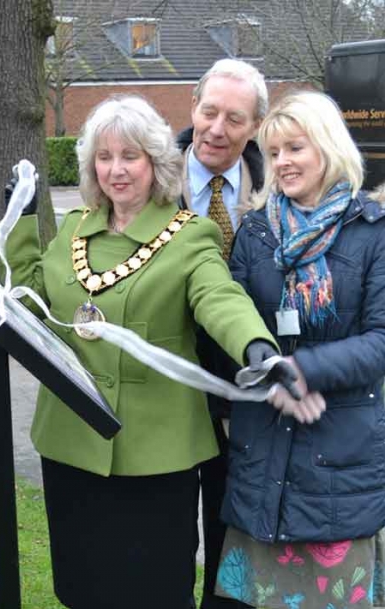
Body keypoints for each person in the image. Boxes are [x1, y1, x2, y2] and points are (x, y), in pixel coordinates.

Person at [3, 94, 298, 609]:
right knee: (81, 587)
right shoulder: (74, 229)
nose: (116, 170)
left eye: (131, 156)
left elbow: (218, 297)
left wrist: (255, 347)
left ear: (156, 163)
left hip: (156, 455)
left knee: (155, 591)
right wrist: (22, 224)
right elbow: (31, 300)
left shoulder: (188, 235)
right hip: (72, 445)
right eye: (105, 157)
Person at [216, 90, 385, 609]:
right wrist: (268, 372)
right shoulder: (257, 232)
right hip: (263, 449)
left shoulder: (372, 232)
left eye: (295, 148)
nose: (283, 163)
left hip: (338, 454)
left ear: (328, 148)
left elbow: (380, 340)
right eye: (273, 153)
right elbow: (232, 323)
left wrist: (303, 370)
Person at [176, 58, 268, 609]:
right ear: (193, 108)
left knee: (233, 542)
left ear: (255, 125)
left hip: (247, 399)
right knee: (168, 537)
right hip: (172, 391)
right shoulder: (151, 176)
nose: (216, 128)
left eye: (234, 119)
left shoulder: (275, 189)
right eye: (209, 112)